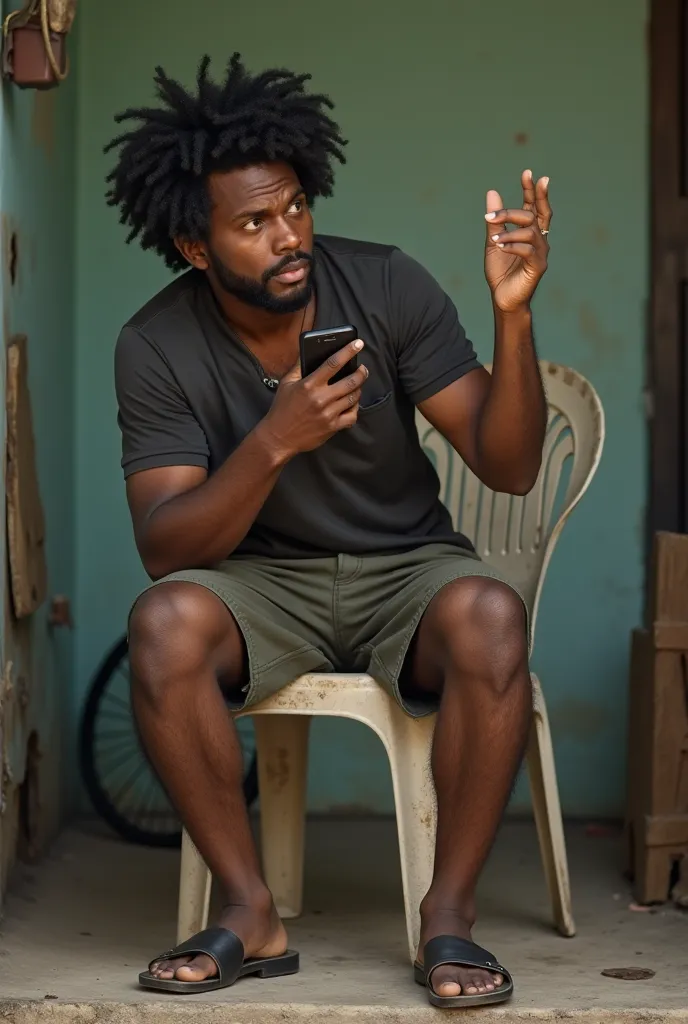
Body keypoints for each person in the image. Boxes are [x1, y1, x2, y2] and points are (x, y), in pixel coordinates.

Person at [107, 53, 550, 1008]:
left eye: (296, 207)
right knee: (163, 623)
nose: (289, 236)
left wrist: (513, 319)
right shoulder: (157, 343)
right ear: (193, 245)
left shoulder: (386, 286)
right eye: (255, 223)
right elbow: (166, 546)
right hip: (260, 585)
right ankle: (248, 907)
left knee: (492, 616)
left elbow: (509, 466)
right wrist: (276, 441)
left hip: (407, 571)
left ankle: (449, 917)